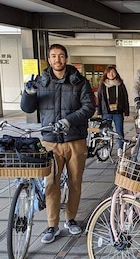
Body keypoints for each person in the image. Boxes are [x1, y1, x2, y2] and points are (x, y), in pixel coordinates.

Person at [20, 44, 95, 244]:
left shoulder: (79, 81)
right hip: (50, 142)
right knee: (51, 184)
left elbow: (89, 107)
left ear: (66, 58)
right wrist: (28, 93)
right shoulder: (41, 82)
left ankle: (70, 219)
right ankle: (52, 225)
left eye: (61, 56)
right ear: (49, 59)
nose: (57, 60)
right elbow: (28, 109)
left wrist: (69, 120)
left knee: (75, 182)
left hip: (75, 140)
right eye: (53, 56)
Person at [96, 65, 129, 156]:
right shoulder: (102, 85)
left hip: (118, 112)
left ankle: (120, 148)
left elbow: (125, 97)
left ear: (116, 73)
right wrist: (99, 112)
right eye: (109, 72)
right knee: (106, 131)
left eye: (113, 72)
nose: (111, 74)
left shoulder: (120, 84)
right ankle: (106, 148)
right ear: (106, 73)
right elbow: (99, 98)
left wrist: (126, 111)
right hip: (106, 112)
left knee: (119, 131)